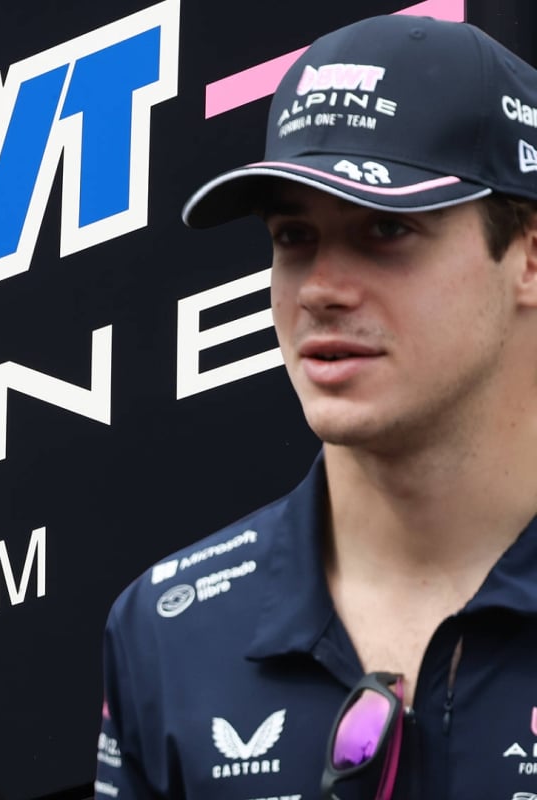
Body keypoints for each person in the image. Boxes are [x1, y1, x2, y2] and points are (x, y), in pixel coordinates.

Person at [96, 13, 537, 800]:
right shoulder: (170, 628)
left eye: (386, 228)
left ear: (529, 257)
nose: (323, 291)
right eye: (295, 236)